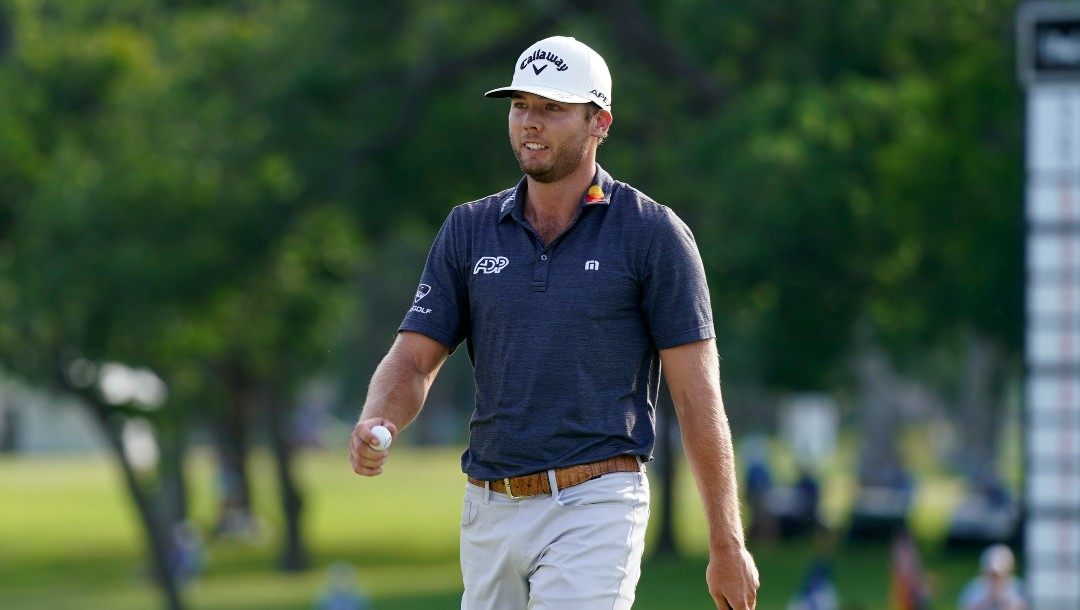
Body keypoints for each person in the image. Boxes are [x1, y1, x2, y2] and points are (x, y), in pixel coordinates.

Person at [349, 35, 759, 610]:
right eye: (521, 106)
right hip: (488, 506)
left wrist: (726, 540)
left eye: (552, 108)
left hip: (596, 502)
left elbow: (697, 397)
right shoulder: (469, 229)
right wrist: (377, 419)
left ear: (600, 122)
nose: (530, 123)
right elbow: (415, 358)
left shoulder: (651, 235)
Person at [958, 544, 1026, 610]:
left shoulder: (1018, 588)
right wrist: (988, 600)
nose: (995, 579)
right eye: (991, 574)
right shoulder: (974, 588)